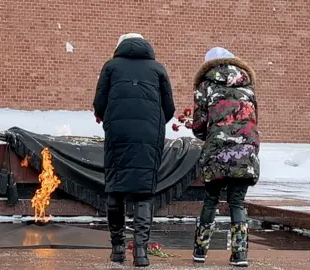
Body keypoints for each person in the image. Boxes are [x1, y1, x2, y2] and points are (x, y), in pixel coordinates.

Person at [93, 33, 175, 267]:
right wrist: (153, 122)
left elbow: (99, 103)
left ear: (119, 46)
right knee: (144, 192)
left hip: (118, 131)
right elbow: (169, 108)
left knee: (116, 187)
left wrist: (108, 118)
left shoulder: (110, 67)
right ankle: (141, 253)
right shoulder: (158, 69)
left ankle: (118, 249)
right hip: (149, 134)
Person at [190, 47, 260, 267]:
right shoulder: (247, 88)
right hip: (246, 149)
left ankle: (200, 251)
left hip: (217, 151)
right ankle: (240, 254)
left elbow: (199, 125)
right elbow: (253, 120)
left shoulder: (205, 86)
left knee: (210, 200)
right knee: (237, 203)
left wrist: (209, 133)